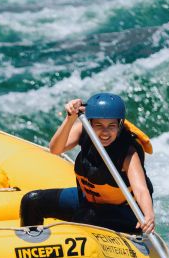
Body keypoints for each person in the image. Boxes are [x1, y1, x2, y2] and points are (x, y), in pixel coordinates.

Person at [19, 92, 155, 234]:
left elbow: (141, 190)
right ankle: (31, 246)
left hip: (123, 212)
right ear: (90, 123)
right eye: (98, 125)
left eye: (111, 125)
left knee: (87, 217)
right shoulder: (83, 130)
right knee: (31, 201)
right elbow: (55, 149)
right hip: (88, 202)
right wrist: (70, 118)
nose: (105, 132)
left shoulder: (128, 153)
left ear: (120, 125)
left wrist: (149, 215)